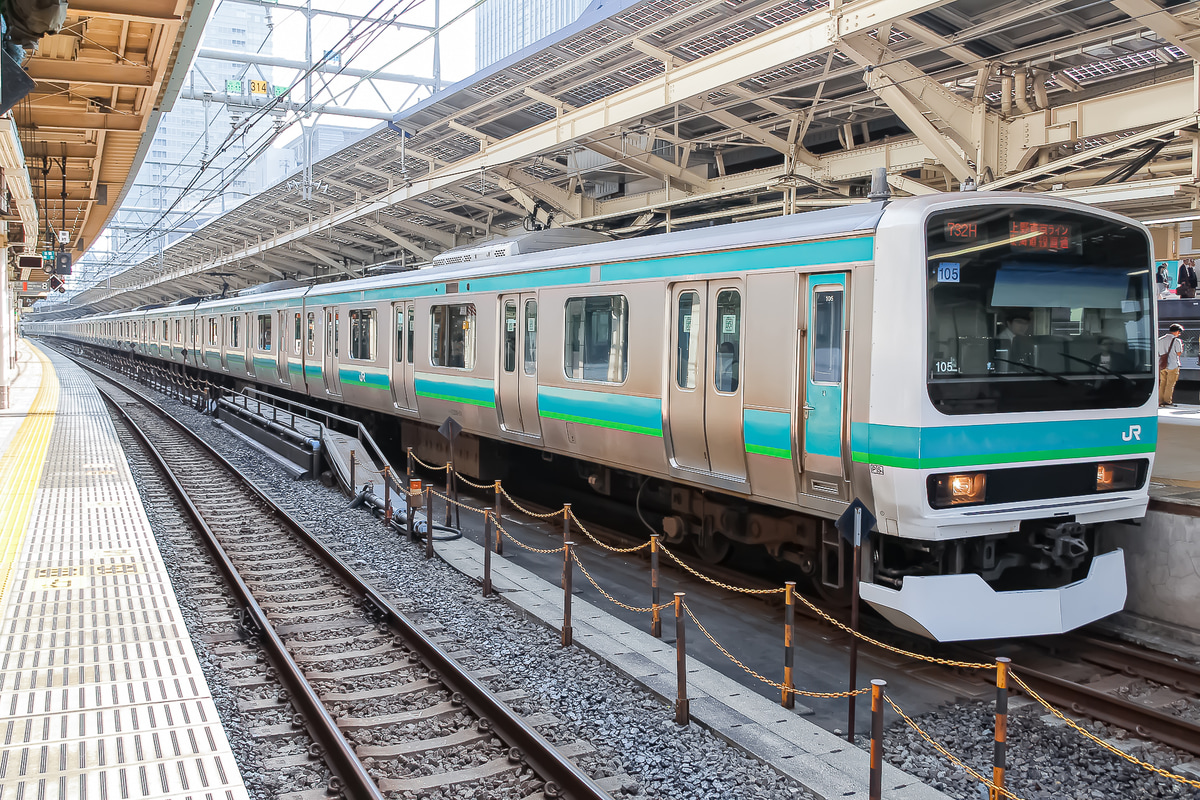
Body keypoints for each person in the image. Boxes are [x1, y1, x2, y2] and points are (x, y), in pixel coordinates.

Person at [1158, 323, 1185, 406]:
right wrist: (1182, 348)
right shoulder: (1177, 341)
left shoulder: (1160, 339)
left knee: (1162, 383)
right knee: (1170, 384)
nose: (1179, 334)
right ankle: (1167, 401)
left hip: (1162, 364)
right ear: (1177, 331)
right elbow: (1179, 353)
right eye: (1179, 332)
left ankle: (1160, 401)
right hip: (1173, 364)